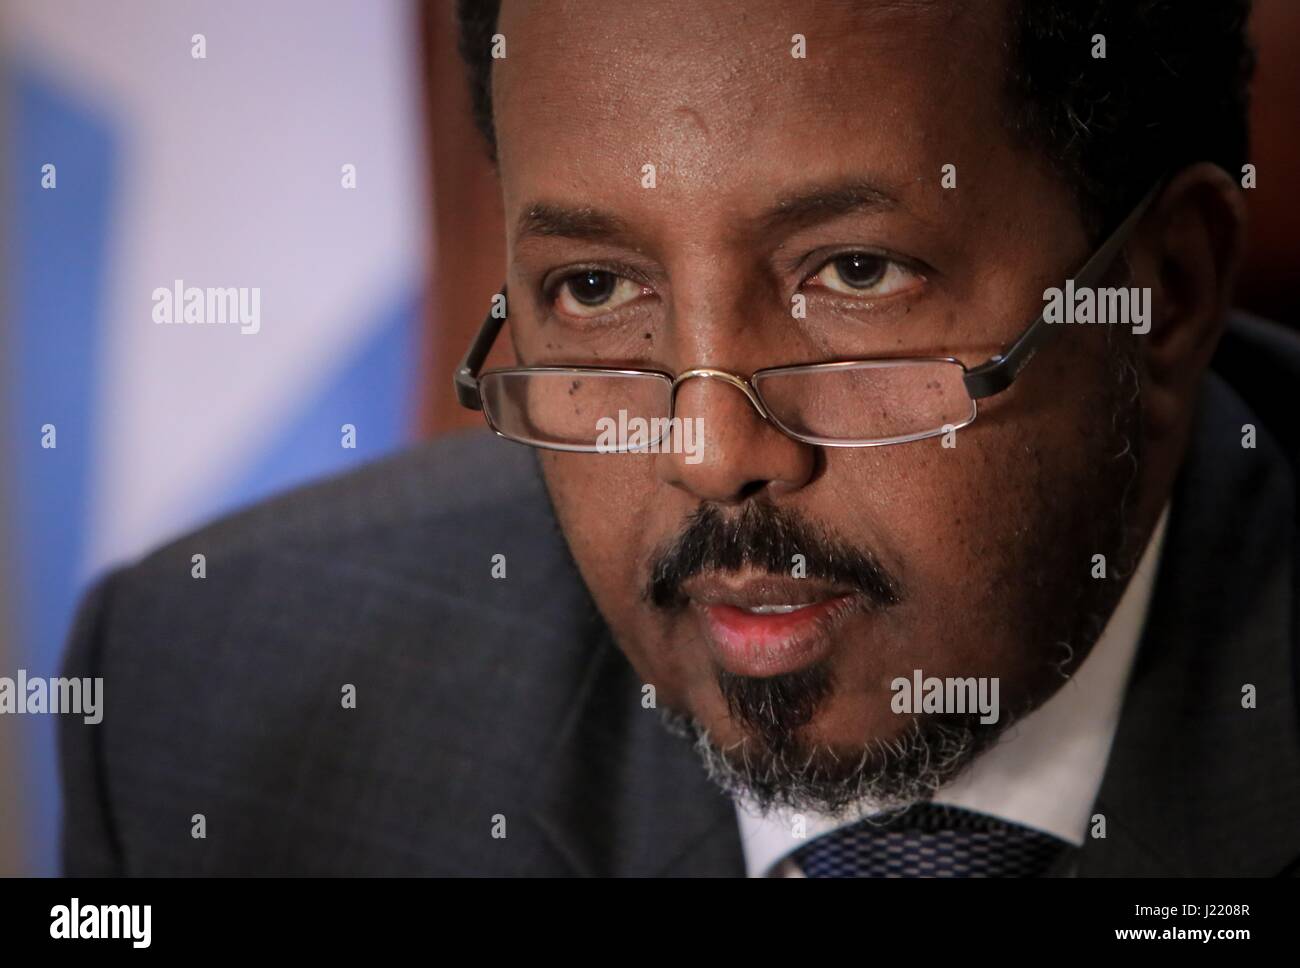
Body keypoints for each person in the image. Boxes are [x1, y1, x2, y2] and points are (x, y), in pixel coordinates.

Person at [60, 0, 1300, 877]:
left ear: (1161, 293)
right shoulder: (216, 706)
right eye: (594, 289)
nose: (709, 449)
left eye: (853, 273)